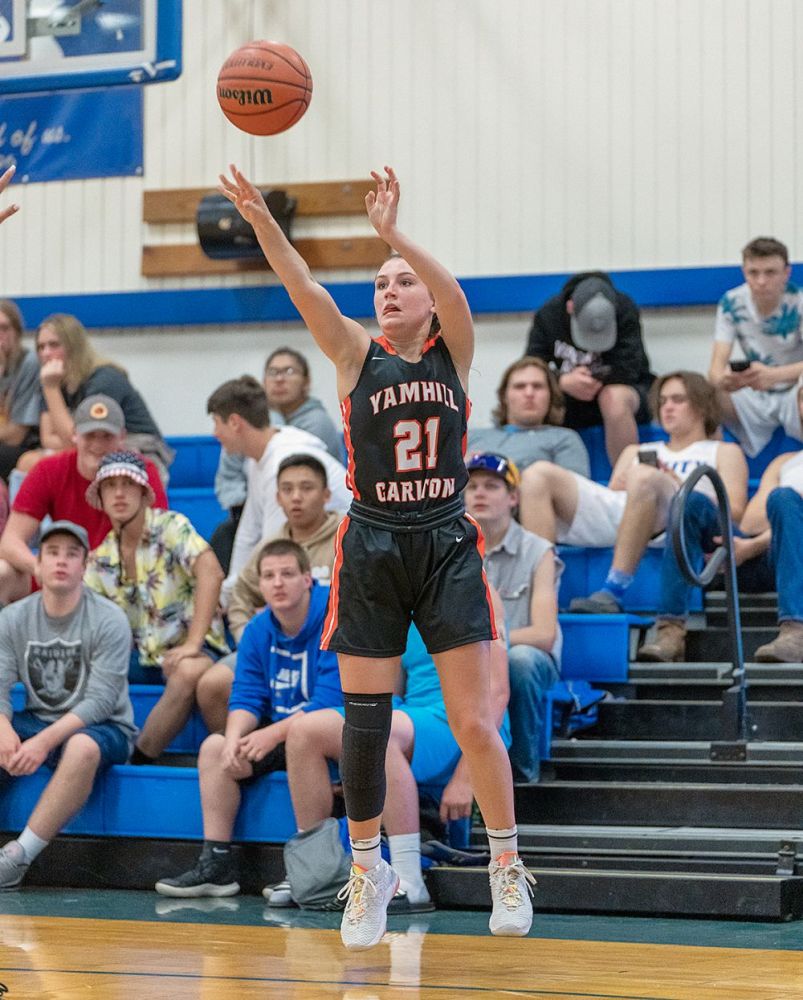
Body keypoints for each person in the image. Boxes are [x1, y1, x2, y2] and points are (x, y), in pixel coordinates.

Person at [219, 162, 534, 950]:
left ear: (425, 301)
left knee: (471, 720)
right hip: (371, 543)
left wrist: (394, 235)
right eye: (380, 282)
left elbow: (457, 296)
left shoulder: (450, 355)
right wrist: (263, 224)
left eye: (403, 282)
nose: (388, 289)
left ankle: (505, 862)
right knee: (362, 723)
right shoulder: (356, 358)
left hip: (443, 544)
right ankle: (368, 873)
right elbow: (306, 293)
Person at [272, 612, 510, 910]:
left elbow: (498, 694)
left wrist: (466, 777)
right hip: (413, 712)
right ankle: (312, 870)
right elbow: (391, 690)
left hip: (465, 719)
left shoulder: (474, 584)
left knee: (382, 732)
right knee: (304, 732)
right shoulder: (400, 591)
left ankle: (410, 880)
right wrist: (358, 761)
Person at [153, 539, 342, 899]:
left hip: (331, 731)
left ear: (308, 579)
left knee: (304, 734)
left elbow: (329, 700)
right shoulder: (258, 629)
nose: (277, 583)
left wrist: (269, 736)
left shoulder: (333, 618)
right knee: (214, 747)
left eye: (287, 574)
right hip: (284, 730)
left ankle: (313, 871)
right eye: (268, 576)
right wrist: (237, 736)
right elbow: (246, 694)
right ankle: (217, 865)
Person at [519, 372, 747, 614]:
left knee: (644, 476)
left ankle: (613, 589)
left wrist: (676, 483)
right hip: (632, 514)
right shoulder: (636, 450)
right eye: (663, 401)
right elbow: (613, 496)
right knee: (537, 475)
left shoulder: (723, 451)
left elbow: (734, 511)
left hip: (679, 520)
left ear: (702, 407)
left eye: (678, 400)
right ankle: (539, 597)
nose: (667, 407)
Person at [0, 520, 135, 889]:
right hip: (38, 718)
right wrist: (3, 727)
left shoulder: (110, 619)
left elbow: (102, 700)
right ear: (37, 564)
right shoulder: (12, 619)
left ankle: (18, 856)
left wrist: (43, 743)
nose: (61, 562)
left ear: (85, 566)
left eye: (72, 555)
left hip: (106, 726)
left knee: (81, 746)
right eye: (53, 553)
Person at [83, 451, 229, 763]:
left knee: (189, 671)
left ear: (143, 492)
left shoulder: (171, 525)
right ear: (101, 496)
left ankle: (139, 760)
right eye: (110, 486)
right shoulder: (100, 558)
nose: (119, 493)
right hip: (141, 658)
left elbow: (211, 572)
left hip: (198, 649)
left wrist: (192, 643)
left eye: (128, 484)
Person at [0, 394, 167, 605]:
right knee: (2, 573)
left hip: (120, 573)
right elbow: (9, 542)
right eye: (90, 435)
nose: (97, 444)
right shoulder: (49, 470)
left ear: (122, 437)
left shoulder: (141, 470)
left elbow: (158, 537)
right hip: (62, 570)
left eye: (106, 436)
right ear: (74, 435)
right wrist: (40, 567)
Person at [464, 453, 562, 782]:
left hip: (528, 659)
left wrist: (491, 645)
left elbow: (544, 634)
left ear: (513, 498)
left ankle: (521, 775)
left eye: (492, 486)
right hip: (471, 657)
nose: (479, 493)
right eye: (472, 486)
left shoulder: (538, 551)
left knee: (518, 662)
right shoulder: (451, 550)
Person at [206, 375, 350, 600]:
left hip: (335, 552)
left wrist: (226, 596)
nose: (214, 434)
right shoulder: (259, 456)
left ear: (234, 422)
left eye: (216, 423)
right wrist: (227, 593)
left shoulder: (281, 462)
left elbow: (274, 545)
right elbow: (248, 533)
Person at [20, 314, 171, 480]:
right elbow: (47, 438)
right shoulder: (54, 380)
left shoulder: (104, 378)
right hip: (89, 447)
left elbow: (75, 440)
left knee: (45, 463)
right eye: (41, 347)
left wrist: (50, 389)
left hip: (136, 447)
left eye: (54, 345)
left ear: (74, 347)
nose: (46, 353)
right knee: (28, 462)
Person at [525, 272, 654, 465]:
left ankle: (626, 479)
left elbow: (631, 368)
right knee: (529, 393)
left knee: (613, 398)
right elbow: (529, 367)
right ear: (570, 308)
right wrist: (561, 381)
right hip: (568, 395)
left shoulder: (625, 309)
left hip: (619, 392)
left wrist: (594, 380)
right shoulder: (548, 315)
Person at [228, 452, 343, 641]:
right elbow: (240, 596)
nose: (296, 497)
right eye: (287, 489)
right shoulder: (270, 547)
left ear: (326, 495)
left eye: (307, 488)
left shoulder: (348, 539)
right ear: (278, 498)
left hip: (339, 650)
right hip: (278, 651)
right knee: (213, 672)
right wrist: (249, 640)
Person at [708, 237, 803, 457]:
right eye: (754, 273)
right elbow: (715, 368)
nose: (761, 281)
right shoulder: (731, 302)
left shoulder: (798, 301)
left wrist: (774, 375)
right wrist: (726, 379)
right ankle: (716, 464)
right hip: (755, 389)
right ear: (744, 272)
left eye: (770, 272)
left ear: (786, 273)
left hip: (794, 388)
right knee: (706, 390)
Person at [467, 357, 589, 477]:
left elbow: (574, 492)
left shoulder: (564, 439)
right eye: (520, 386)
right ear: (504, 396)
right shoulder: (472, 436)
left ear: (550, 396)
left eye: (537, 386)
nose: (529, 393)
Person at [0, 300, 41, 482]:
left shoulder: (29, 363)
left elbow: (16, 435)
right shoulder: (4, 367)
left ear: (17, 332)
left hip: (31, 445)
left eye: (4, 328)